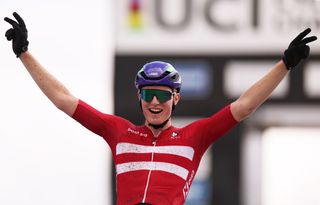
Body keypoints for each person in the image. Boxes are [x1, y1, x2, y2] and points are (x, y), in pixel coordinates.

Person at [4, 12, 317, 205]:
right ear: (140, 96)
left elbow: (244, 106)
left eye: (162, 95)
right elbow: (64, 100)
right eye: (148, 94)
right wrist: (25, 54)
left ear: (176, 98)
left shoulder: (195, 135)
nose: (155, 102)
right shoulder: (117, 131)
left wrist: (285, 64)